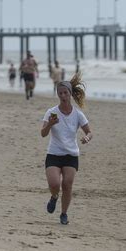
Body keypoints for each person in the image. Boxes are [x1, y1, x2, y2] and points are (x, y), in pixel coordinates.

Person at [40, 75, 92, 225]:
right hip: (54, 153)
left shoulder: (78, 114)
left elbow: (89, 132)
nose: (63, 96)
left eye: (65, 93)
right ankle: (54, 197)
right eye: (60, 93)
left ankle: (64, 214)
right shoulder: (51, 112)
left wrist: (87, 138)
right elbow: (43, 134)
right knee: (55, 184)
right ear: (58, 94)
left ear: (70, 94)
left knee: (67, 185)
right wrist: (50, 124)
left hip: (71, 154)